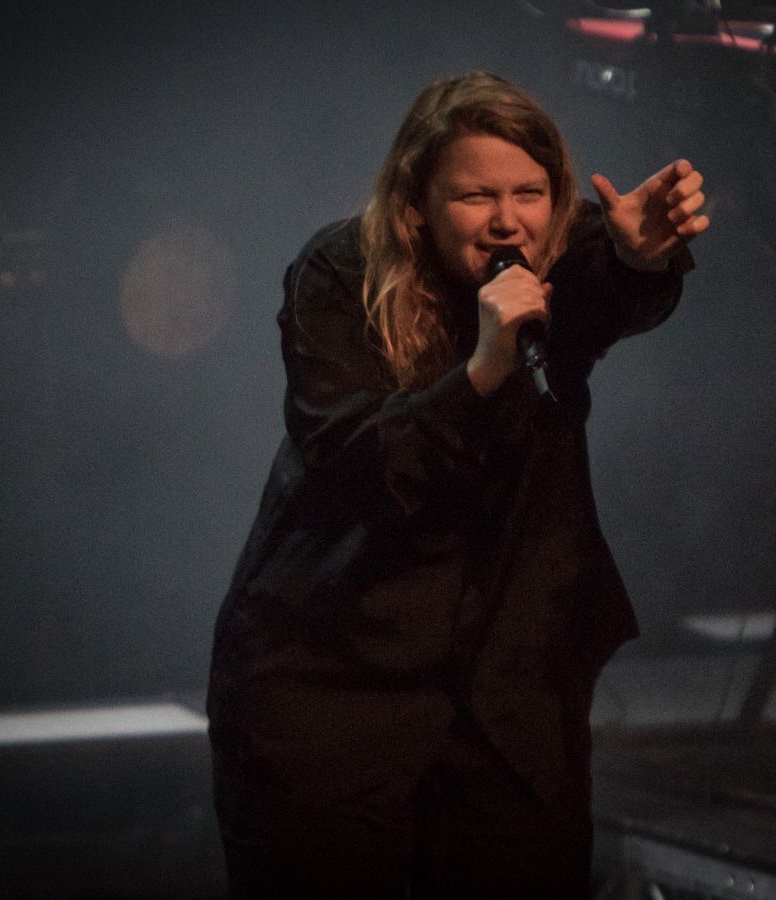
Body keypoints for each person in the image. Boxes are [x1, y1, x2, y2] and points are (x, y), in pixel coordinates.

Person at [206, 70, 709, 899]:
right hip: (332, 685)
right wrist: (480, 372)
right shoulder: (337, 277)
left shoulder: (560, 253)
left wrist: (638, 260)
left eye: (531, 192)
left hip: (507, 696)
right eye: (477, 196)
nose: (509, 220)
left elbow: (613, 286)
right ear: (416, 203)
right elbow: (356, 465)